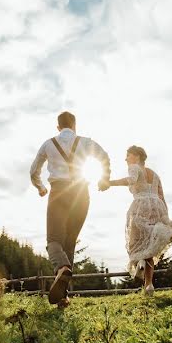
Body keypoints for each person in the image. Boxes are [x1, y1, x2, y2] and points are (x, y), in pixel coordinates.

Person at [30, 111, 111, 307]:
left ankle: (62, 267)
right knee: (69, 243)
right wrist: (104, 178)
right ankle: (63, 297)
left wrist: (41, 187)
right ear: (74, 125)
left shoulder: (48, 144)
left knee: (53, 241)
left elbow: (34, 171)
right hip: (81, 194)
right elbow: (104, 157)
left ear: (58, 127)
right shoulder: (85, 141)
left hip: (58, 193)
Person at [107, 145, 172, 296]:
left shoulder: (134, 167)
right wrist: (165, 216)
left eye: (128, 155)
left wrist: (110, 183)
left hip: (141, 205)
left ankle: (139, 267)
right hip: (157, 206)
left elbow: (131, 180)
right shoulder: (155, 174)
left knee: (134, 242)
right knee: (150, 245)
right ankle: (148, 285)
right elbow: (161, 195)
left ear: (136, 156)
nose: (126, 159)